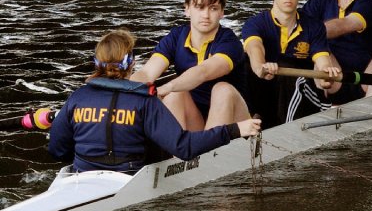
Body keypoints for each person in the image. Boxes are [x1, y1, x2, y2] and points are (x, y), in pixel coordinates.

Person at [48, 29, 261, 173]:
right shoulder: (144, 102)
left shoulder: (77, 97)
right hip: (128, 176)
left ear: (97, 63)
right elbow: (183, 147)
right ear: (131, 64)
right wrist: (234, 130)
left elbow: (57, 150)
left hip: (83, 172)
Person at [131, 0, 251, 132]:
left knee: (222, 89)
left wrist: (165, 88)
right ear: (187, 9)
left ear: (222, 12)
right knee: (175, 94)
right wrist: (126, 91)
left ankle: (208, 152)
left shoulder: (229, 42)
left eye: (213, 8)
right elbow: (146, 72)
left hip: (235, 123)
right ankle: (180, 154)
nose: (206, 15)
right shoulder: (176, 36)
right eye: (199, 7)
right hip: (197, 121)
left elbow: (203, 72)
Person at [242, 0, 341, 127]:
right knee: (243, 65)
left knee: (287, 67)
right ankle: (252, 123)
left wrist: (325, 77)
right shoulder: (255, 23)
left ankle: (284, 131)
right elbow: (255, 49)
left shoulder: (314, 26)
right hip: (268, 89)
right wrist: (261, 67)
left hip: (301, 92)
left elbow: (322, 60)